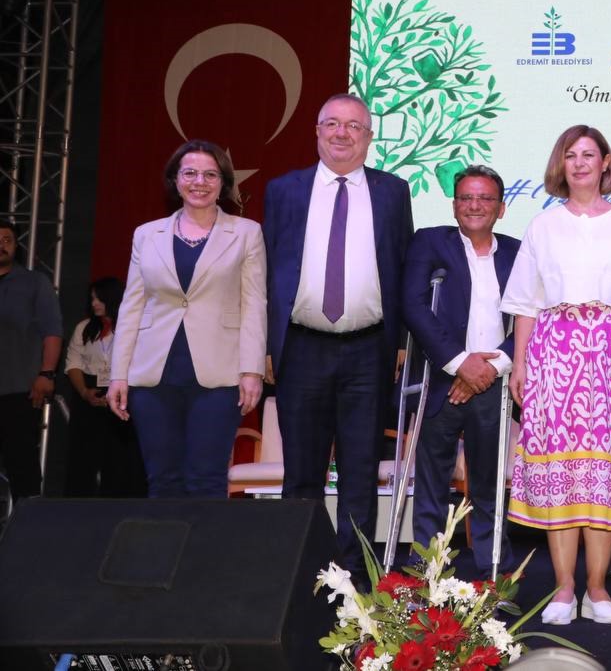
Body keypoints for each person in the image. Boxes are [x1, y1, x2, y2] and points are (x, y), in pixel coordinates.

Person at [501, 125, 611, 625]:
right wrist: (521, 365)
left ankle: (597, 588)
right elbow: (525, 304)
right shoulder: (542, 226)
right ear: (560, 164)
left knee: (603, 475)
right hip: (555, 357)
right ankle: (564, 589)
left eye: (588, 154)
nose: (579, 163)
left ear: (605, 162)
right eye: (570, 155)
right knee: (562, 474)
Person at [264, 93, 413, 577]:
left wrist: (400, 344)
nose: (341, 133)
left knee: (360, 470)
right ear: (316, 132)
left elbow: (402, 269)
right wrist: (266, 346)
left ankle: (356, 581)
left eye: (353, 126)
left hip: (369, 350)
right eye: (332, 123)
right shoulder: (284, 190)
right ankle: (298, 574)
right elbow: (267, 271)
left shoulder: (393, 192)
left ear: (369, 137)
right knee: (301, 472)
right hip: (301, 346)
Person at [107, 140, 267, 498]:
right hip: (153, 374)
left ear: (223, 183)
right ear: (175, 180)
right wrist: (118, 374)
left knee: (206, 479)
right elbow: (132, 305)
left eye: (210, 175)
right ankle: (165, 539)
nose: (200, 182)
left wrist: (252, 370)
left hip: (220, 374)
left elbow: (254, 304)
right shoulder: (146, 234)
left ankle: (205, 540)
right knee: (162, 480)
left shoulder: (246, 233)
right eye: (190, 173)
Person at [403, 165, 517, 578]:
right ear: (454, 206)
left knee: (488, 488)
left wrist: (491, 367)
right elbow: (414, 305)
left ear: (500, 208)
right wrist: (460, 363)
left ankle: (493, 580)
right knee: (432, 487)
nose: (474, 206)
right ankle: (426, 576)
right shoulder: (430, 242)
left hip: (493, 383)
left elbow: (533, 317)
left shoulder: (518, 252)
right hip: (441, 380)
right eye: (466, 198)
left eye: (485, 198)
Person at [65, 277, 147, 497]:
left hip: (123, 392)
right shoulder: (84, 328)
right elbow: (73, 362)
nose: (94, 303)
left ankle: (118, 504)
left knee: (119, 456)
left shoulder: (132, 327)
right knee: (82, 455)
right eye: (92, 299)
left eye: (99, 298)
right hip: (90, 391)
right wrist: (84, 392)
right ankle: (77, 505)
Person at [0, 220, 61, 504]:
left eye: (7, 240)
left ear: (16, 245)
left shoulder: (35, 283)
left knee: (21, 462)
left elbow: (52, 331)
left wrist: (46, 374)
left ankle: (29, 523)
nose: (2, 245)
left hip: (19, 388)